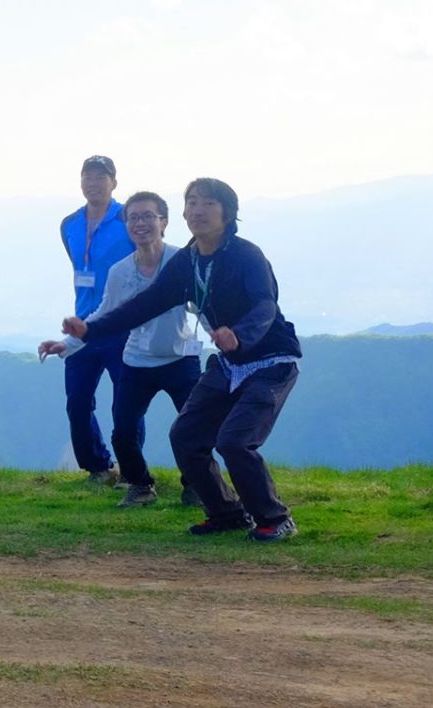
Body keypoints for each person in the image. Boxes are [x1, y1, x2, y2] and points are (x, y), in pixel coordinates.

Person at [62, 178, 303, 542]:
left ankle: (275, 518)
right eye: (192, 202)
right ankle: (226, 514)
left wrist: (239, 334)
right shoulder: (187, 262)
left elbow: (265, 304)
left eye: (208, 203)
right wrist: (89, 331)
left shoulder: (247, 255)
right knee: (186, 435)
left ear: (227, 212)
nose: (198, 210)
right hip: (229, 362)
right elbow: (144, 305)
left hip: (271, 361)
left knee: (235, 442)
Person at [40, 191, 202, 508]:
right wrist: (68, 344)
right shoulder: (120, 271)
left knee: (193, 428)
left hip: (180, 358)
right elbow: (103, 314)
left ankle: (196, 486)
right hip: (137, 360)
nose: (140, 223)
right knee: (123, 431)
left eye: (148, 216)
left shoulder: (181, 262)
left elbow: (205, 302)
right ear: (126, 224)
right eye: (133, 218)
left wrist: (229, 333)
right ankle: (140, 486)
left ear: (164, 222)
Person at [58, 154, 134, 485]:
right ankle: (97, 467)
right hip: (82, 325)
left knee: (126, 403)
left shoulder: (128, 218)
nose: (93, 182)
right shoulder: (69, 223)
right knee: (77, 401)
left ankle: (132, 470)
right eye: (88, 176)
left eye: (101, 177)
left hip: (122, 324)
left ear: (114, 182)